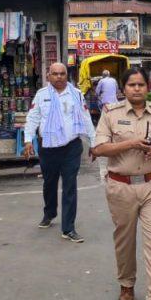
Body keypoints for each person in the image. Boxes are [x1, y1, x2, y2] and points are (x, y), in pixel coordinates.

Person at [91, 67, 151, 300]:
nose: (137, 89)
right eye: (131, 85)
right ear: (123, 89)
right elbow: (99, 148)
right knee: (124, 240)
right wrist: (131, 144)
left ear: (148, 87)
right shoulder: (110, 113)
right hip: (121, 187)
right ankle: (127, 284)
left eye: (141, 84)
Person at [23, 63, 95, 243]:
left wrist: (94, 143)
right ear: (49, 76)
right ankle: (49, 212)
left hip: (71, 147)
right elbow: (33, 118)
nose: (59, 77)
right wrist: (28, 140)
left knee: (70, 186)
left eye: (62, 74)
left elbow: (86, 118)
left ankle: (68, 228)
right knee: (50, 183)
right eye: (55, 74)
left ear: (66, 75)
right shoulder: (41, 95)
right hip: (48, 147)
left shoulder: (76, 94)